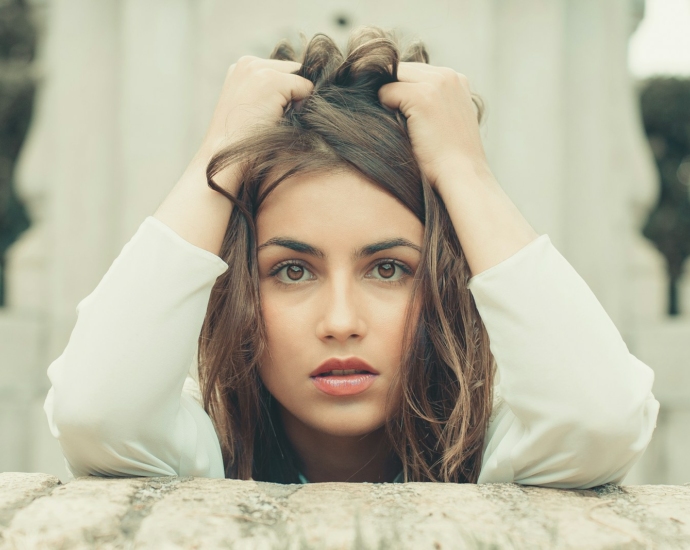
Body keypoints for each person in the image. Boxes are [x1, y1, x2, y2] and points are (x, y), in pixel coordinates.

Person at [44, 28, 659, 487]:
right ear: (238, 289)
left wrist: (465, 175)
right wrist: (221, 155)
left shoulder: (500, 458)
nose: (341, 320)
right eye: (291, 270)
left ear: (446, 280)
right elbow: (93, 412)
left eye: (389, 269)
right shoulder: (197, 458)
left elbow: (600, 420)